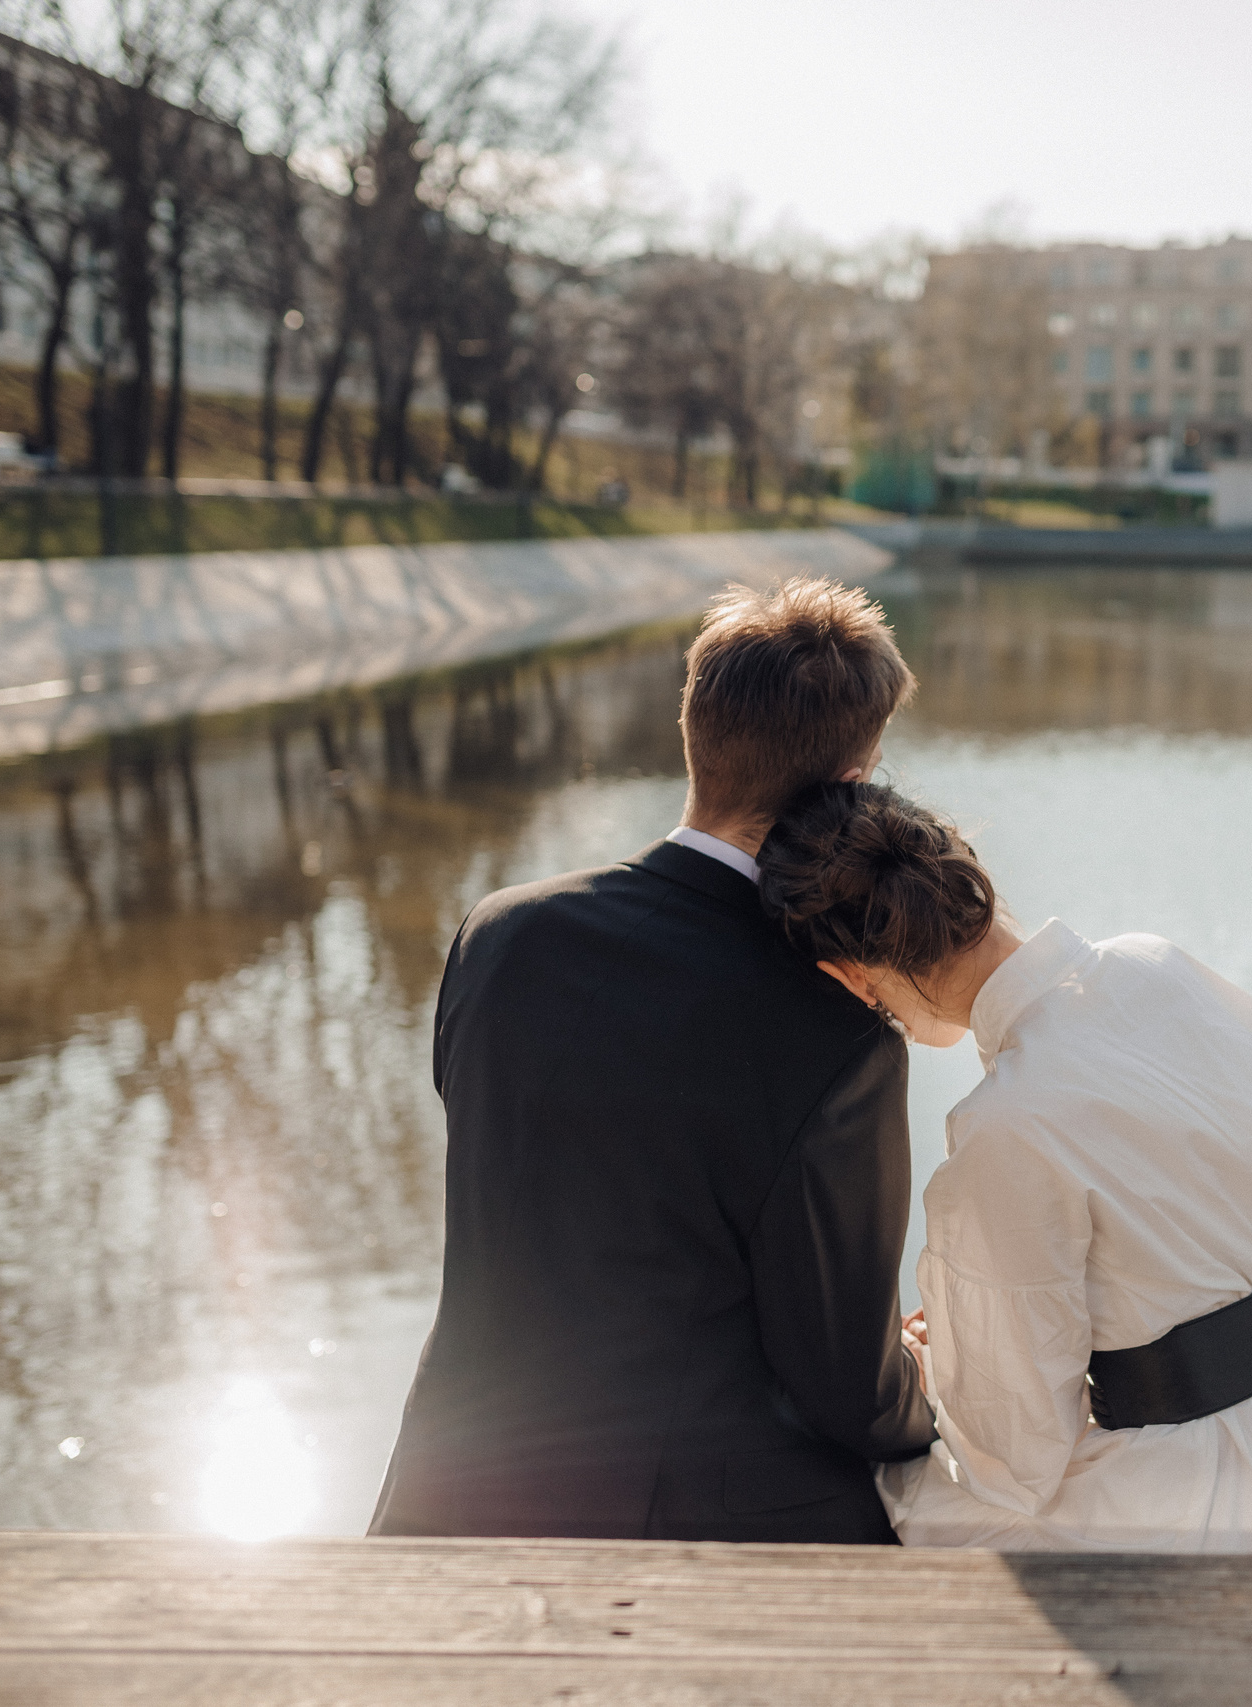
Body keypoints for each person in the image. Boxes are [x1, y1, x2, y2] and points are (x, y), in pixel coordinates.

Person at [370, 579, 934, 1543]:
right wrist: (919, 1384)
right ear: (857, 784)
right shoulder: (837, 1034)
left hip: (449, 1497)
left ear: (695, 733)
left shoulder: (500, 935)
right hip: (673, 1546)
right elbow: (848, 1390)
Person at [757, 783, 1252, 1554]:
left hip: (1220, 1497)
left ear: (855, 977)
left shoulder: (1003, 1128)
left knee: (904, 1495)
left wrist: (934, 1360)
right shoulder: (1163, 964)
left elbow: (1017, 1452)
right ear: (965, 861)